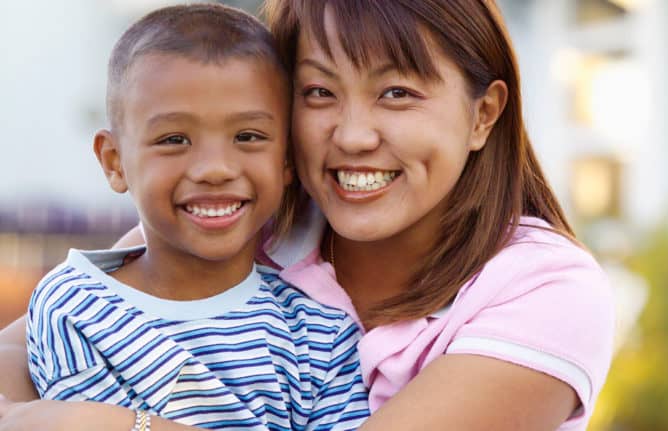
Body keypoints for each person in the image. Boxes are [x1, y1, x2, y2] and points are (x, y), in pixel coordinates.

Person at [0, 1, 615, 430]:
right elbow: (31, 348)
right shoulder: (248, 227)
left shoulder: (544, 288)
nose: (351, 136)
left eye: (396, 93)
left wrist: (105, 425)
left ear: (483, 114)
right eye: (318, 93)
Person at [0, 4, 369, 431]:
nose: (214, 168)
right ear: (114, 162)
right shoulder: (74, 305)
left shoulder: (319, 335)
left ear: (286, 158)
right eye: (175, 139)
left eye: (247, 137)